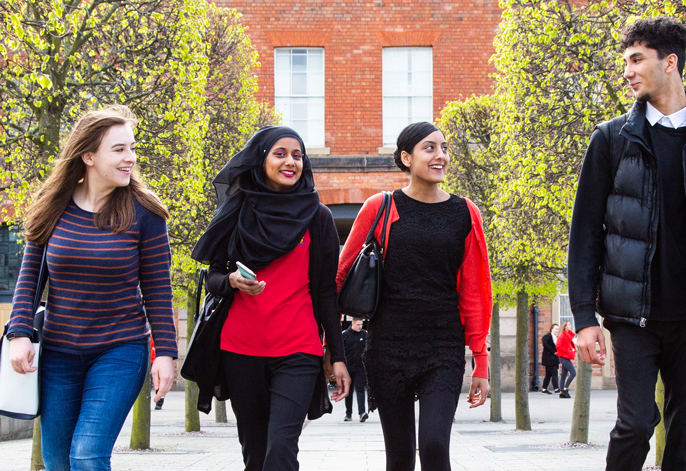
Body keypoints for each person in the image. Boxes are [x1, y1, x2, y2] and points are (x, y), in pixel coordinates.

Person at [566, 16, 686, 471]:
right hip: (632, 315)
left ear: (669, 63)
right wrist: (584, 318)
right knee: (635, 424)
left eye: (636, 60)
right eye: (625, 62)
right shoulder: (612, 139)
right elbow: (585, 233)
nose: (627, 71)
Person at [4, 105, 178, 471]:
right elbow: (30, 274)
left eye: (132, 148)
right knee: (58, 462)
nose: (130, 158)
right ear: (87, 155)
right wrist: (18, 332)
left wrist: (165, 352)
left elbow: (159, 290)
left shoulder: (145, 213)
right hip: (58, 353)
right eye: (119, 149)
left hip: (120, 349)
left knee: (86, 454)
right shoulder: (53, 207)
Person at [190, 126, 350, 471]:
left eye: (297, 155)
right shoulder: (236, 213)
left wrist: (336, 356)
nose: (290, 161)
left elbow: (326, 293)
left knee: (280, 450)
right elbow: (212, 278)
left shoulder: (318, 217)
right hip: (240, 349)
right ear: (260, 159)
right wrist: (231, 280)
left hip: (298, 350)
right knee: (255, 453)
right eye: (280, 154)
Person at [337, 121, 493, 471]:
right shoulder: (380, 207)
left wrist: (480, 360)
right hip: (388, 348)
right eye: (430, 148)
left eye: (444, 148)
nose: (441, 155)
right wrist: (330, 349)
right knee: (401, 457)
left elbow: (474, 291)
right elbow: (341, 276)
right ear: (406, 158)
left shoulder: (465, 213)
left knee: (435, 446)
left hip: (443, 347)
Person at [341, 318, 369, 422]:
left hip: (360, 367)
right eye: (358, 324)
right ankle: (348, 413)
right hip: (348, 367)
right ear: (352, 324)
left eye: (361, 324)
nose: (360, 327)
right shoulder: (345, 335)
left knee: (360, 389)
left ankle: (362, 412)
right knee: (348, 390)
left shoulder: (364, 335)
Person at [555, 321, 577, 399]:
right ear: (565, 326)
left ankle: (561, 392)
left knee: (564, 375)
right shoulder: (562, 336)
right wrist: (568, 350)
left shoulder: (567, 335)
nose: (570, 326)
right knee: (573, 373)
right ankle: (565, 388)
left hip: (566, 357)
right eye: (569, 324)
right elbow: (558, 346)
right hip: (563, 357)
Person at [540, 323, 561, 394]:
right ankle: (556, 388)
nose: (557, 330)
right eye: (556, 329)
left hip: (554, 358)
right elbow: (545, 345)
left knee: (548, 374)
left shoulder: (557, 337)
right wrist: (554, 352)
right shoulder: (547, 337)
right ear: (552, 329)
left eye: (558, 329)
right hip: (549, 358)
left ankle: (544, 388)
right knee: (554, 373)